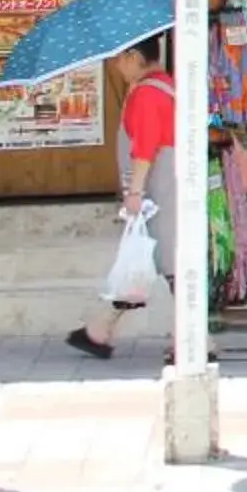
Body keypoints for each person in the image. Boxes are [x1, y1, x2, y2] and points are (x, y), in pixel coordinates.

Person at [66, 36, 176, 361]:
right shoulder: (166, 87)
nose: (116, 66)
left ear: (133, 56)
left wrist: (135, 192)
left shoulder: (146, 94)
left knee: (170, 268)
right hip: (165, 190)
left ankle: (197, 343)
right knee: (139, 263)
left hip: (159, 193)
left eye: (119, 58)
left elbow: (146, 147)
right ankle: (100, 330)